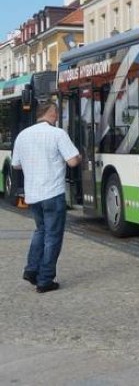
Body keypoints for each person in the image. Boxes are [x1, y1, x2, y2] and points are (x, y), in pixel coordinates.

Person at [12, 101, 81, 293]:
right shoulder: (57, 134)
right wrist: (80, 157)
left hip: (33, 194)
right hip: (53, 192)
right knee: (52, 236)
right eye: (57, 113)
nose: (58, 116)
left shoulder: (23, 135)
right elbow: (73, 161)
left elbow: (16, 164)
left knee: (40, 231)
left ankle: (32, 268)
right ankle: (45, 280)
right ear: (52, 113)